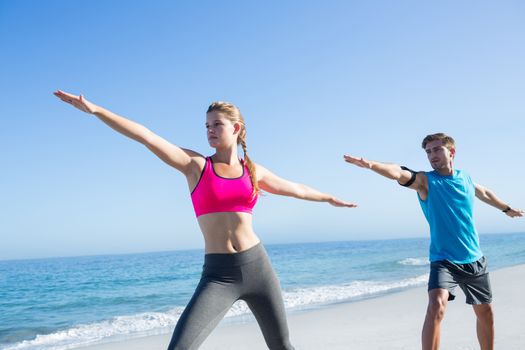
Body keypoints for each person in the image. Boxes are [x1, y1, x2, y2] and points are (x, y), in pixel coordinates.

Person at [54, 90, 357, 350]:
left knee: (282, 346)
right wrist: (95, 110)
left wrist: (329, 198)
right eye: (206, 126)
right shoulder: (196, 166)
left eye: (217, 125)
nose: (210, 130)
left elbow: (296, 189)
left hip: (258, 267)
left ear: (236, 128)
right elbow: (146, 136)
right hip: (218, 275)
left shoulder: (253, 170)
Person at [343, 133, 523, 350]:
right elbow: (399, 173)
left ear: (451, 152)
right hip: (443, 259)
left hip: (474, 258)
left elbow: (485, 192)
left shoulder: (465, 178)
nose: (432, 155)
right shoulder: (426, 182)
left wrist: (507, 209)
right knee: (436, 305)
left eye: (437, 149)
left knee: (485, 312)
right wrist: (372, 165)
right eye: (428, 152)